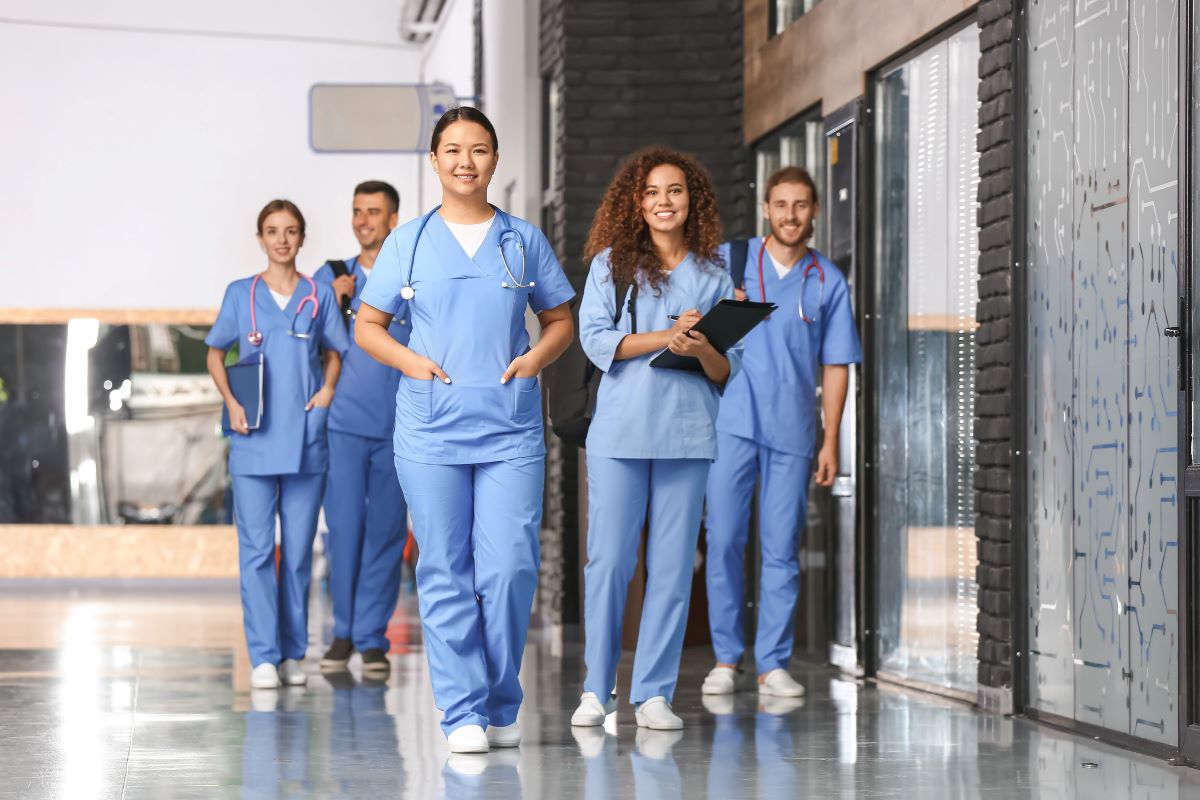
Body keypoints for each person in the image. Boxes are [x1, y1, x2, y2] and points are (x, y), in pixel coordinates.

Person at [354, 107, 575, 754]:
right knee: (445, 568)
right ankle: (462, 711)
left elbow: (559, 320)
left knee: (509, 568)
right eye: (452, 150)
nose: (465, 161)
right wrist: (411, 361)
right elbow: (368, 326)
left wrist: (536, 357)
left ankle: (500, 698)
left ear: (494, 161)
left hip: (509, 427)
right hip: (430, 428)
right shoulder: (409, 242)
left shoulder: (522, 240)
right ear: (434, 162)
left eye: (478, 150)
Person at [572, 146, 739, 732]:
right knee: (610, 562)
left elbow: (724, 371)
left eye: (675, 191)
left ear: (692, 200)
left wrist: (702, 348)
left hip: (688, 436)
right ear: (635, 203)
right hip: (619, 434)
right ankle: (597, 690)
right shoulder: (611, 266)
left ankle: (653, 695)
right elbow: (597, 341)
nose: (664, 202)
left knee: (671, 568)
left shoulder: (716, 277)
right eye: (652, 193)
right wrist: (668, 335)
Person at [701, 166, 861, 698]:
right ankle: (726, 658)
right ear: (767, 209)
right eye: (781, 204)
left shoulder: (826, 280)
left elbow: (836, 365)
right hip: (730, 423)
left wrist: (831, 439)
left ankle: (772, 663)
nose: (790, 215)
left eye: (801, 205)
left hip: (793, 430)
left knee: (780, 547)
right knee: (723, 539)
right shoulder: (731, 261)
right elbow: (688, 325)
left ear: (814, 212)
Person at [206, 199, 349, 689]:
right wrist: (231, 401)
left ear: (302, 238)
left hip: (306, 441)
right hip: (253, 442)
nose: (282, 239)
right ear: (261, 239)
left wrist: (326, 392)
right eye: (272, 231)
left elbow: (335, 352)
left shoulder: (318, 295)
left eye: (290, 231)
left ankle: (292, 654)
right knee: (256, 551)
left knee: (299, 554)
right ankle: (264, 656)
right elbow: (214, 353)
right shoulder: (240, 295)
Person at [313, 180, 409, 678]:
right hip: (346, 426)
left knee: (386, 534)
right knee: (344, 531)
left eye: (373, 212)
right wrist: (332, 302)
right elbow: (308, 348)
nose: (363, 220)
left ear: (393, 220)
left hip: (400, 428)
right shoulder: (331, 279)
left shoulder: (412, 279)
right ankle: (343, 632)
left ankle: (372, 638)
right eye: (357, 211)